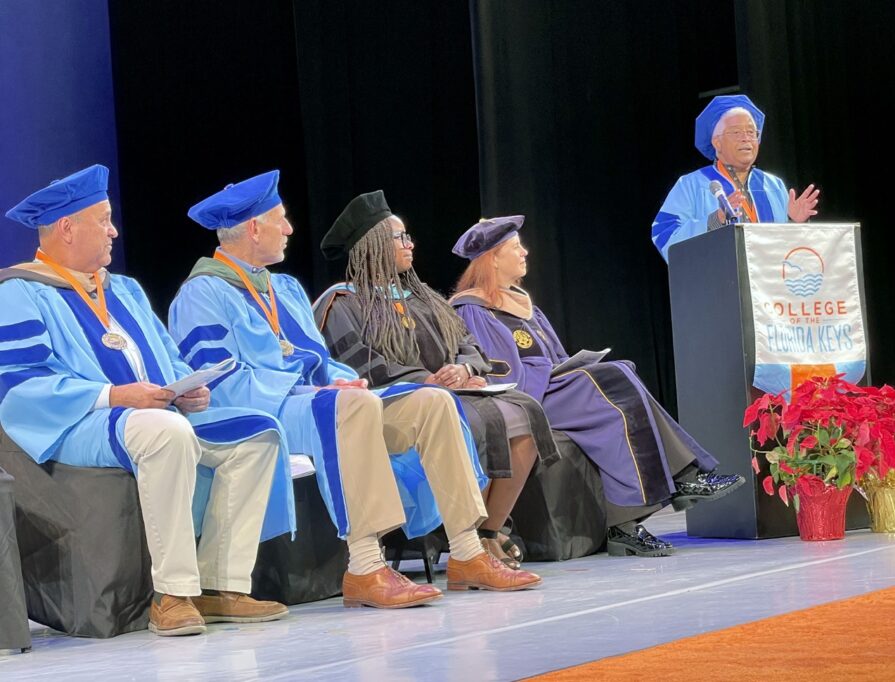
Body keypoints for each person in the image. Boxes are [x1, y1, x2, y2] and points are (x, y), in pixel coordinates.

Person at [169, 172, 540, 606]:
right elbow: (222, 383)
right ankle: (365, 565)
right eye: (281, 220)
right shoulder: (203, 294)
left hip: (316, 400)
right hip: (265, 408)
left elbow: (317, 359)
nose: (290, 229)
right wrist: (314, 391)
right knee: (349, 406)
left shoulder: (283, 288)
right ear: (254, 228)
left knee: (432, 402)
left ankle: (467, 551)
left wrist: (337, 376)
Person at [0, 165, 290, 637]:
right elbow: (21, 386)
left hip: (151, 413)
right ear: (67, 227)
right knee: (164, 431)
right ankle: (173, 594)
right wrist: (115, 395)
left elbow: (168, 358)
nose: (115, 230)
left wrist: (186, 387)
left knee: (257, 433)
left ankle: (221, 585)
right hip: (79, 422)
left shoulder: (125, 290)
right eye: (104, 219)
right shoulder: (18, 292)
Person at [450, 216, 746, 557]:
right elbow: (501, 372)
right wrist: (555, 371)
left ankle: (626, 525)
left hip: (555, 390)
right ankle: (684, 476)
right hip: (525, 400)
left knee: (620, 380)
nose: (525, 252)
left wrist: (570, 366)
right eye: (517, 248)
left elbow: (556, 355)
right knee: (615, 378)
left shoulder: (524, 305)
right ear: (493, 258)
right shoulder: (474, 308)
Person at [314, 191, 560, 570]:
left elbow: (468, 343)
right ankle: (465, 538)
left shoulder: (423, 296)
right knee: (476, 420)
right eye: (400, 238)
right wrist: (426, 379)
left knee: (526, 413)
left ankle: (488, 534)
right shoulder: (344, 302)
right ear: (374, 244)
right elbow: (359, 364)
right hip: (399, 401)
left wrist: (464, 369)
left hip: (451, 390)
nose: (410, 244)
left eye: (408, 236)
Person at [651, 94, 820, 262]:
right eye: (736, 132)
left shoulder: (773, 185)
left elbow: (787, 250)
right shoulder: (692, 185)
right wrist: (715, 220)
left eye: (751, 132)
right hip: (718, 283)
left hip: (769, 282)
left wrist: (795, 223)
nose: (746, 138)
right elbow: (664, 235)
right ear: (717, 143)